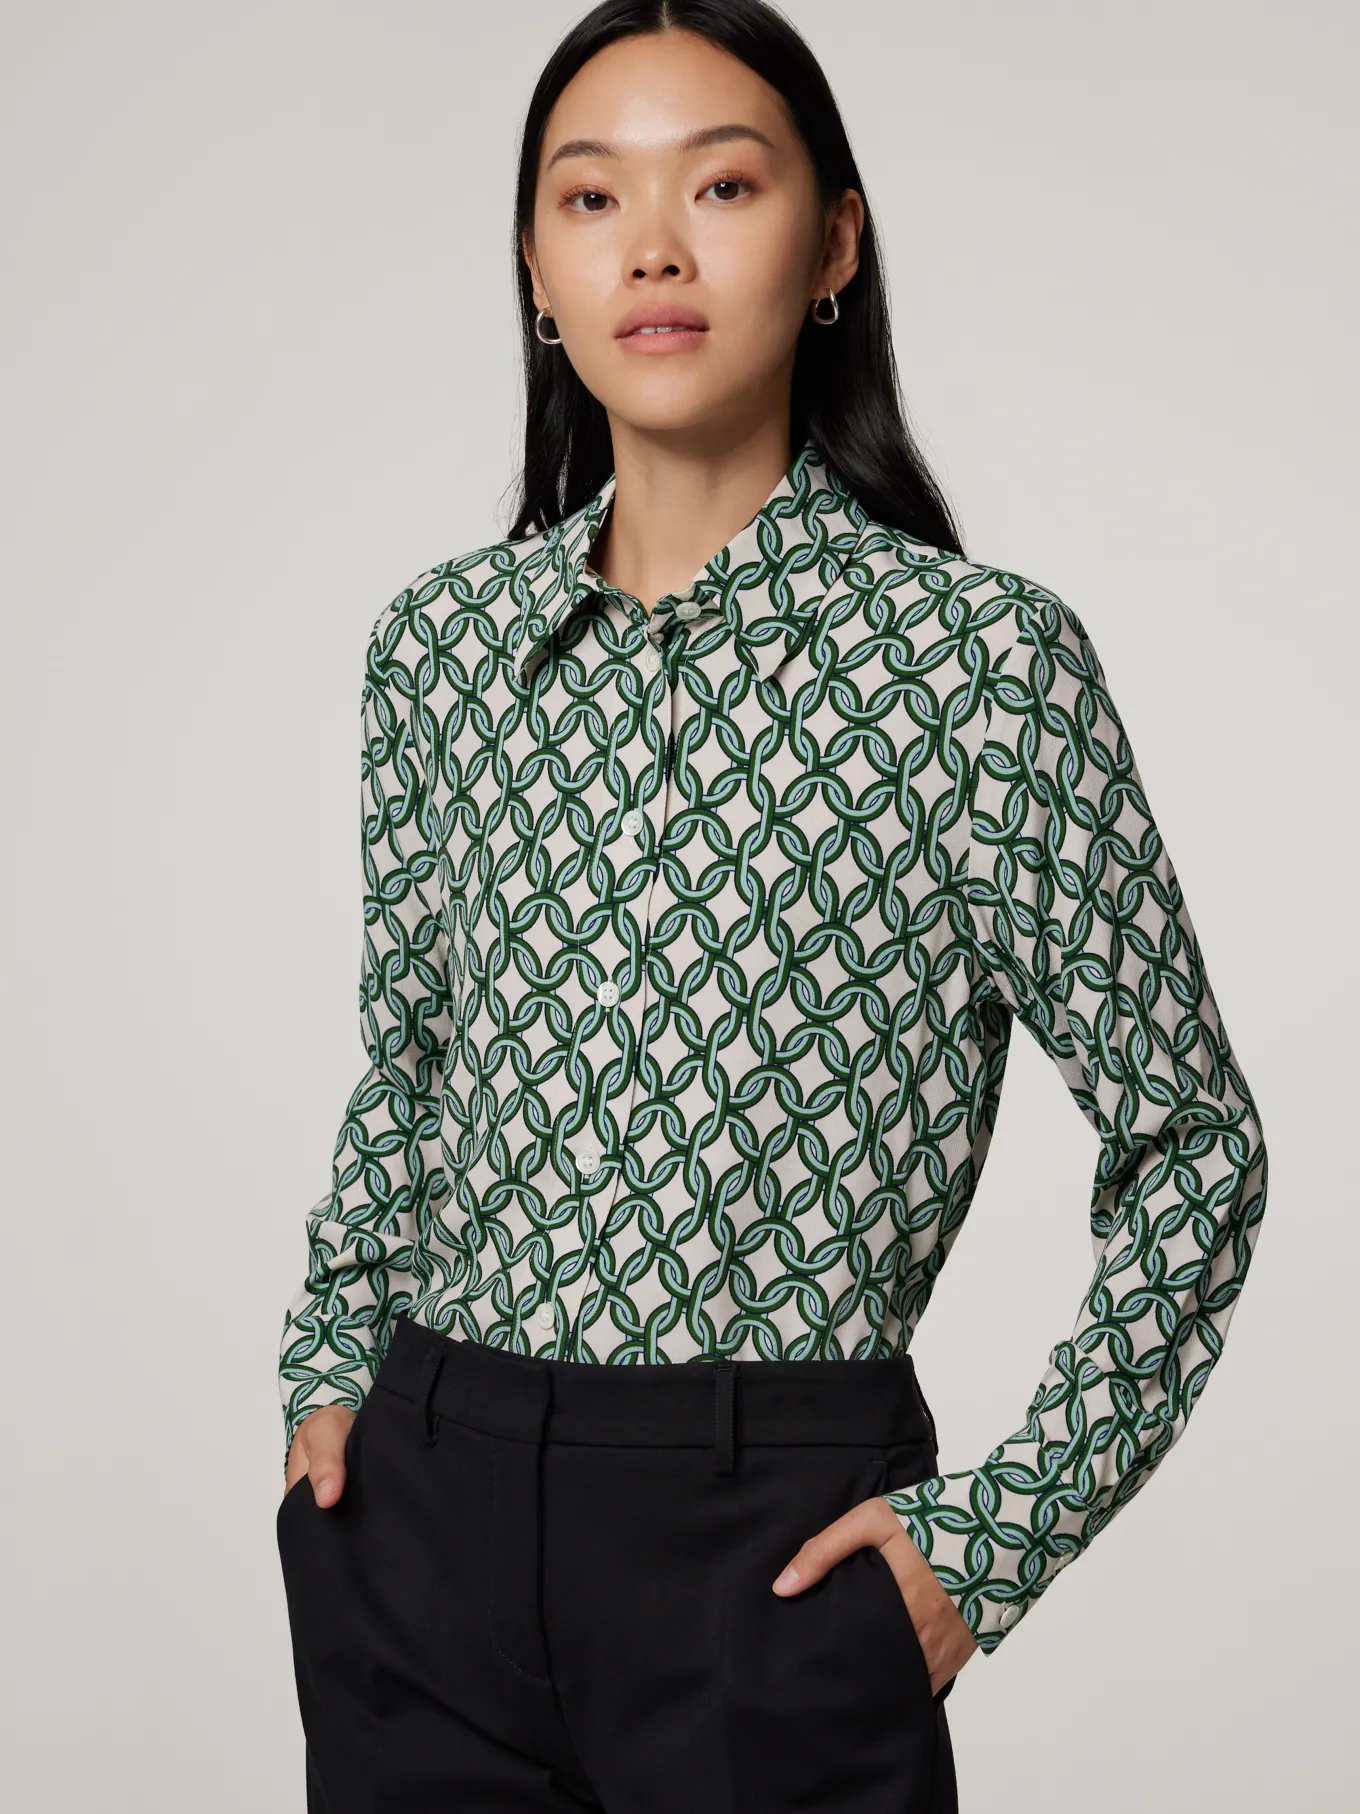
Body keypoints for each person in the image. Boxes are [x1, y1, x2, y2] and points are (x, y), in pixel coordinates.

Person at [274, 3, 1268, 1809]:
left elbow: (1195, 1144)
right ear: (536, 269)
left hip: (771, 1550)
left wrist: (992, 1541)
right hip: (426, 1519)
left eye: (722, 186)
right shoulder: (442, 650)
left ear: (832, 246)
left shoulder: (977, 670)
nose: (652, 247)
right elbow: (411, 1060)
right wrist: (331, 1369)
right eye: (591, 198)